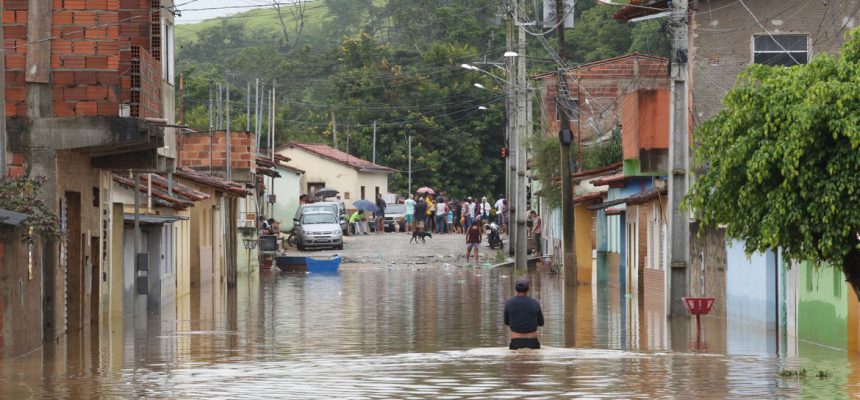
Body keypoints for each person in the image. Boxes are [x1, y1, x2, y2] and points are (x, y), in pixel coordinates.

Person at [504, 278, 544, 350]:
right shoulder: (535, 303)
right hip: (533, 342)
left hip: (515, 342)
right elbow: (541, 323)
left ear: (516, 289)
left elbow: (507, 322)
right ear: (528, 289)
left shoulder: (509, 303)